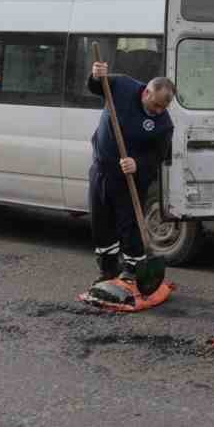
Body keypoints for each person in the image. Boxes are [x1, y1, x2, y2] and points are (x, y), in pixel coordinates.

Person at [88, 58, 176, 283]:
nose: (158, 111)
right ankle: (107, 269)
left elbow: (161, 155)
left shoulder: (164, 124)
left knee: (129, 224)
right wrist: (97, 75)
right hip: (102, 168)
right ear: (147, 92)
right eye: (156, 105)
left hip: (131, 178)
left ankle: (133, 270)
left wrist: (138, 163)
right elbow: (96, 87)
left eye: (163, 108)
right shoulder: (122, 86)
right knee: (101, 220)